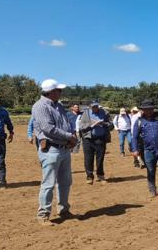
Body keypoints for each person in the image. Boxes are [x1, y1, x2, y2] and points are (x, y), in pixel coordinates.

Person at [32, 79, 77, 226]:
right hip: (51, 149)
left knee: (65, 182)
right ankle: (43, 215)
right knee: (48, 183)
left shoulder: (59, 106)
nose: (61, 92)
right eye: (59, 90)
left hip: (63, 149)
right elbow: (48, 128)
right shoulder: (40, 106)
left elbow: (67, 124)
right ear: (51, 92)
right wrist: (69, 136)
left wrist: (71, 135)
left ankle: (63, 209)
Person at [78, 100, 113, 184]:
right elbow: (81, 126)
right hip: (88, 139)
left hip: (100, 139)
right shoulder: (85, 113)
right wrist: (91, 125)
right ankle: (89, 176)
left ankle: (100, 175)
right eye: (93, 106)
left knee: (100, 159)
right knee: (88, 159)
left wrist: (104, 124)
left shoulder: (104, 112)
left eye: (96, 106)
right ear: (90, 106)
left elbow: (112, 125)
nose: (95, 108)